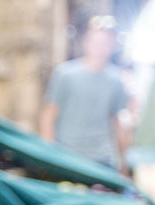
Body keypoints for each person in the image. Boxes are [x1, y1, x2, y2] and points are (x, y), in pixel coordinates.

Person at [39, 16, 133, 173]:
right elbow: (49, 114)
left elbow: (117, 122)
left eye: (105, 43)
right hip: (67, 155)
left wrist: (123, 161)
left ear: (112, 46)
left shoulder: (116, 80)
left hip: (102, 159)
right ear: (86, 43)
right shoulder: (65, 74)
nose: (100, 48)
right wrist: (49, 152)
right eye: (96, 42)